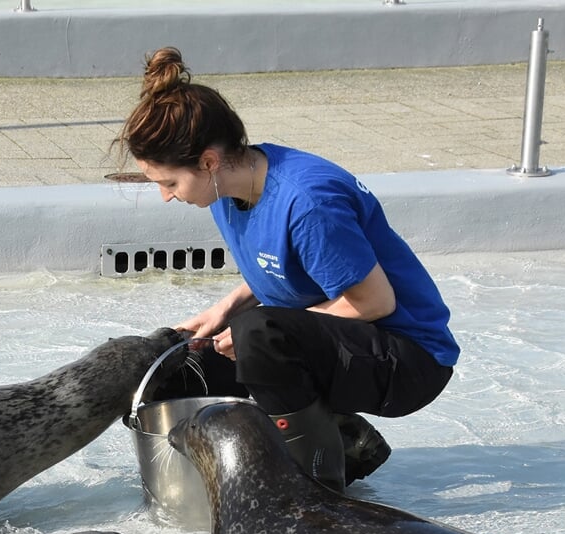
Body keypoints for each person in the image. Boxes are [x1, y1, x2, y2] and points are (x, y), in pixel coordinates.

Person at [117, 47, 459, 492]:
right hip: (338, 343)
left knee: (259, 337)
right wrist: (224, 309)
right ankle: (341, 439)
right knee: (176, 371)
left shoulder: (308, 203)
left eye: (169, 183)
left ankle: (316, 492)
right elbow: (279, 266)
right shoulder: (228, 191)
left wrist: (266, 332)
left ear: (207, 162)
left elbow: (375, 302)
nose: (166, 196)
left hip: (408, 357)